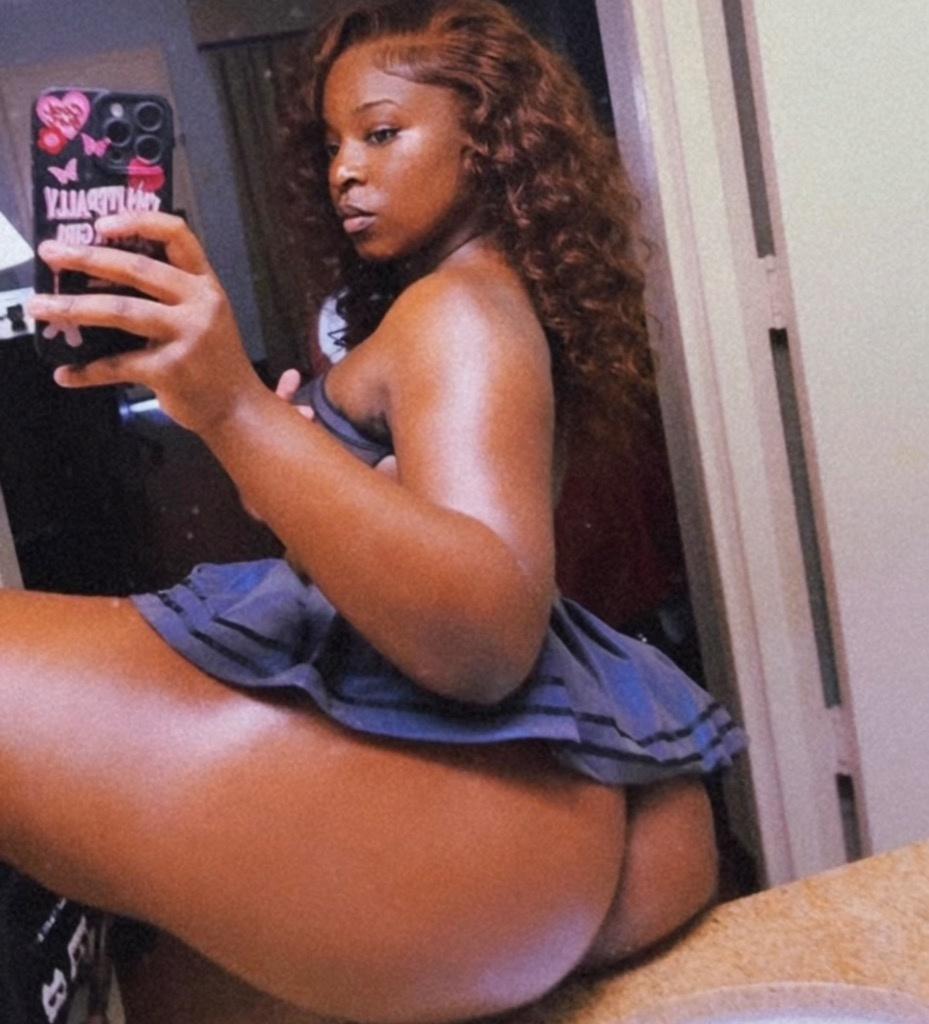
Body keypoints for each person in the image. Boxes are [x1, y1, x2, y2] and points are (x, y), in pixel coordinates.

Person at [19, 1, 747, 1020]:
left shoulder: (457, 309)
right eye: (332, 145)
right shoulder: (474, 302)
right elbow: (407, 536)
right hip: (555, 806)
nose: (344, 171)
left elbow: (486, 635)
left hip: (490, 800)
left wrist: (236, 411)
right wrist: (288, 456)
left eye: (380, 132)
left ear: (486, 142)